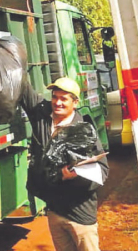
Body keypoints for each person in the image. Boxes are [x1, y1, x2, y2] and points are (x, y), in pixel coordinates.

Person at [20, 77, 108, 251]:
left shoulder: (84, 130)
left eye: (64, 99)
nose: (57, 102)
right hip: (55, 211)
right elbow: (23, 86)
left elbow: (102, 171)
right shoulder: (42, 117)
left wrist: (73, 177)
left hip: (80, 214)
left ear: (75, 103)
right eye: (55, 97)